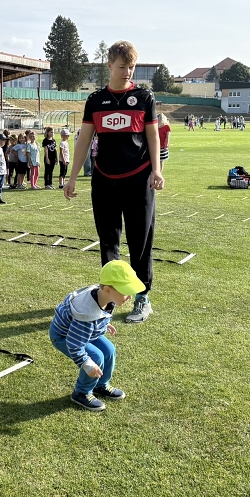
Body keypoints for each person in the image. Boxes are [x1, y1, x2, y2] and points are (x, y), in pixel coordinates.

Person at [64, 40, 163, 324]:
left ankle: (142, 297)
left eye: (132, 67)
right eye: (122, 67)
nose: (128, 72)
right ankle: (107, 299)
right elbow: (84, 139)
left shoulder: (145, 98)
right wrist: (72, 178)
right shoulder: (95, 100)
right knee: (109, 241)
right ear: (109, 65)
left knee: (140, 239)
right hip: (105, 180)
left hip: (139, 178)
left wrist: (157, 170)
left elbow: (153, 137)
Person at [50, 260, 145, 411]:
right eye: (125, 291)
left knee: (109, 350)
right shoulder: (86, 313)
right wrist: (88, 364)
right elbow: (74, 344)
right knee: (96, 358)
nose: (130, 296)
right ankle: (81, 392)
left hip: (83, 330)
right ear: (108, 289)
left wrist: (103, 323)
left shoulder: (105, 296)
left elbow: (97, 315)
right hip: (65, 336)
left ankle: (100, 385)